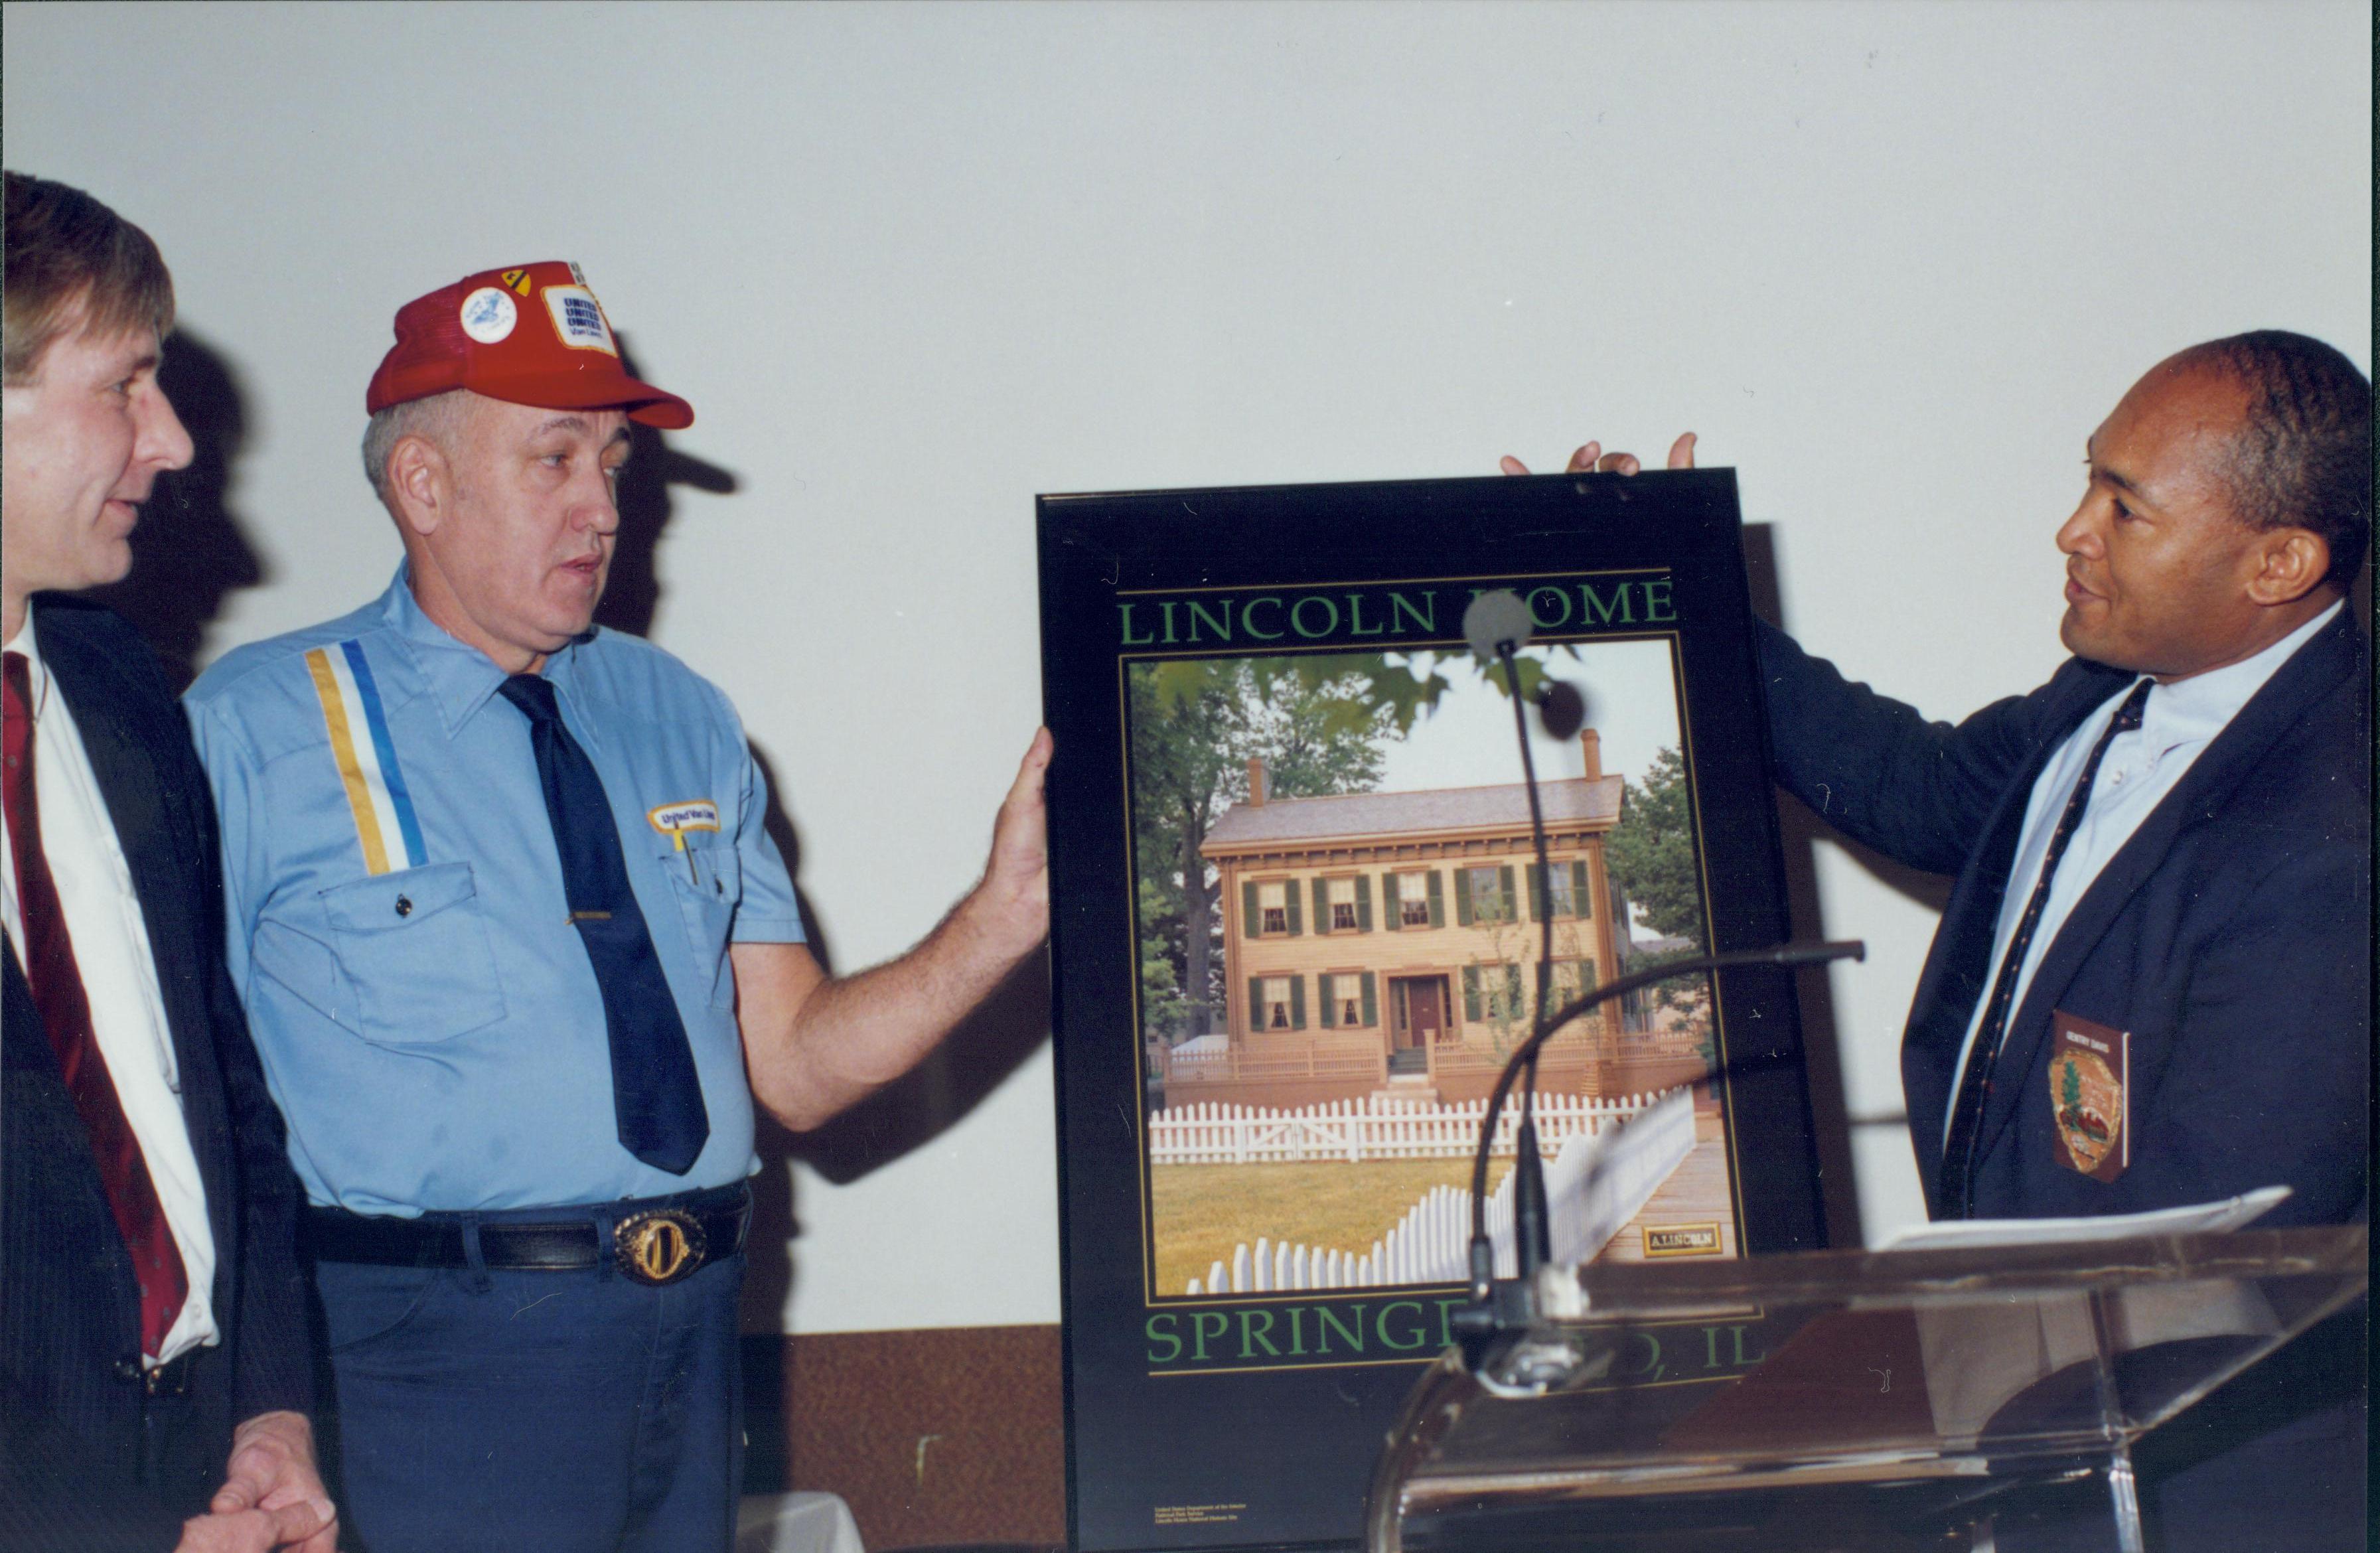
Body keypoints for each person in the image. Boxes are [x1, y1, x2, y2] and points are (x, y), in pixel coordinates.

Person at [185, 260, 1050, 1553]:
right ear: (423, 485)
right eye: (554, 461)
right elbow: (172, 1108)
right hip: (422, 1365)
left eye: (614, 465)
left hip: (689, 1338)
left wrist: (1001, 918)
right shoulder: (251, 729)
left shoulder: (674, 713)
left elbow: (798, 1068)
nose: (602, 508)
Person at [1507, 330, 2369, 1549]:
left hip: (2191, 1500)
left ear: (2277, 562)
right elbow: (1914, 789)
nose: (2072, 530)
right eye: (2088, 480)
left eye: (2124, 508)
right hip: (2042, 1440)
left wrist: (1842, 1403)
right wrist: (1669, 579)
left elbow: (2205, 1268)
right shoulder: (2116, 689)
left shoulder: (2332, 841)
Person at [1, 172, 335, 1553]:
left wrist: (269, 1409)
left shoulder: (116, 688)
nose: (176, 440)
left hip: (210, 1471)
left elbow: (224, 1096)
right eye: (124, 386)